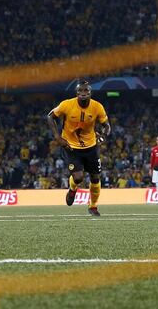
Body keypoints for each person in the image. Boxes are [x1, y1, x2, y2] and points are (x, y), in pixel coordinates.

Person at [47, 81, 111, 217]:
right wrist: (58, 137)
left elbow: (106, 125)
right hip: (71, 147)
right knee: (78, 177)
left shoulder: (97, 107)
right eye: (80, 92)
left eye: (86, 91)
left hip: (91, 147)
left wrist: (104, 135)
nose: (83, 94)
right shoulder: (66, 104)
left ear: (90, 93)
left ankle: (93, 206)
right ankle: (72, 189)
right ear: (76, 93)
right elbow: (50, 117)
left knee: (95, 177)